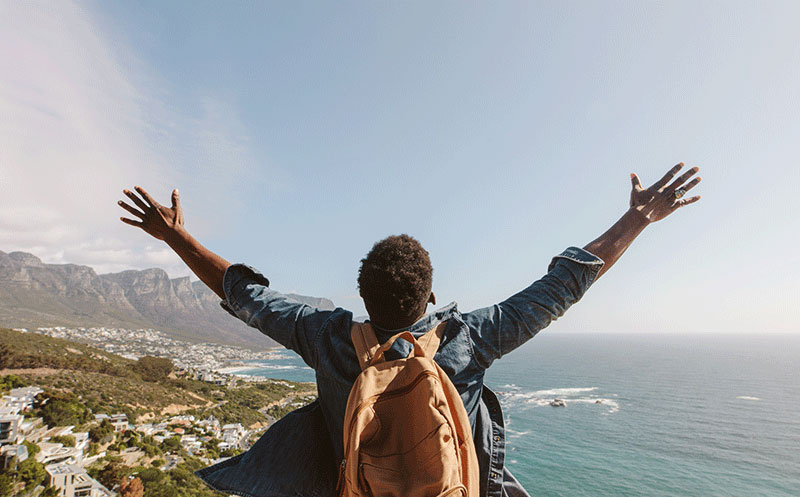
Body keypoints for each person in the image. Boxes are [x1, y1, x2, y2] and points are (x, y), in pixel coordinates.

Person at [117, 163, 701, 497]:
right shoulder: (470, 338)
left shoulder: (326, 337)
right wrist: (637, 217)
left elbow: (246, 296)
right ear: (431, 294)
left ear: (362, 298)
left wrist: (176, 238)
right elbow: (562, 285)